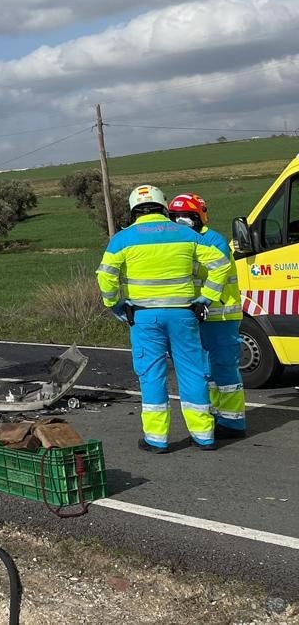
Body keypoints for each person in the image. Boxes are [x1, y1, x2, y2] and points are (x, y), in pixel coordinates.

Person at [97, 185, 233, 453]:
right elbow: (220, 264)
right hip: (184, 314)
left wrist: (115, 304)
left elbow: (106, 276)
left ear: (134, 209)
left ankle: (156, 439)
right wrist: (206, 297)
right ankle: (204, 435)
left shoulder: (123, 239)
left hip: (144, 317)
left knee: (151, 375)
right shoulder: (185, 234)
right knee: (193, 372)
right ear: (163, 207)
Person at [168, 193, 246, 438]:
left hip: (220, 315)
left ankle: (233, 423)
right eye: (176, 216)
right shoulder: (181, 241)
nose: (182, 221)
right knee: (204, 370)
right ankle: (214, 415)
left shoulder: (212, 240)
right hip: (197, 316)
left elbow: (215, 272)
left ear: (199, 216)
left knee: (223, 368)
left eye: (186, 216)